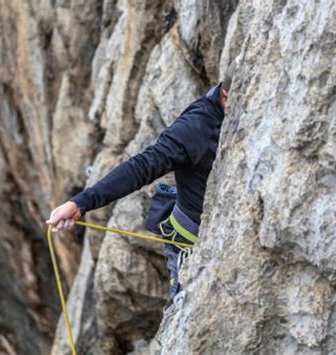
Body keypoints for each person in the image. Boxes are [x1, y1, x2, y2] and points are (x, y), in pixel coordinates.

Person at [46, 59, 238, 303]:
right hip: (190, 241)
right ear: (225, 94)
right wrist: (79, 204)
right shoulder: (194, 128)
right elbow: (140, 168)